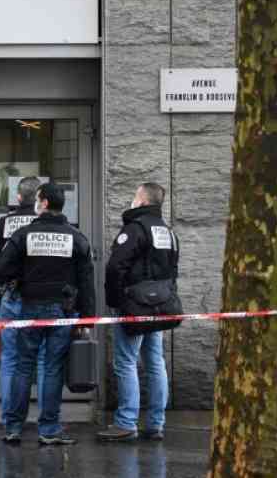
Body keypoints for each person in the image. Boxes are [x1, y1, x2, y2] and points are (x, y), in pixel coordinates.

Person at [0, 182, 95, 445]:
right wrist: (88, 317)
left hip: (30, 307)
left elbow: (1, 269)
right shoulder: (76, 237)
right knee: (52, 369)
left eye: (39, 199)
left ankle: (14, 427)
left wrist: (23, 277)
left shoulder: (24, 235)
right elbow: (86, 281)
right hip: (62, 309)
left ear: (45, 203)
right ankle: (49, 429)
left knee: (22, 365)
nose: (36, 203)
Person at [97, 183, 179, 442]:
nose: (132, 200)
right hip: (159, 305)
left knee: (126, 361)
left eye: (135, 195)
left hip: (134, 305)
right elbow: (172, 270)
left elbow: (115, 267)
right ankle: (156, 424)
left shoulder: (134, 229)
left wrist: (115, 301)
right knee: (155, 363)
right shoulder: (168, 232)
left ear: (142, 201)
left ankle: (126, 422)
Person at [0, 176, 45, 440]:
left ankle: (9, 419)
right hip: (41, 299)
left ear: (18, 197)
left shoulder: (5, 222)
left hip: (11, 296)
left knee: (10, 358)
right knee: (43, 361)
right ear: (42, 200)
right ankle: (46, 420)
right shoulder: (46, 223)